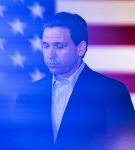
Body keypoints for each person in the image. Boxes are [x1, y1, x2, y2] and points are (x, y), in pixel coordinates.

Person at [14, 12, 135, 150]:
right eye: (46, 46)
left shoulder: (112, 91)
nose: (50, 55)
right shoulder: (28, 93)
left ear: (80, 48)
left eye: (59, 46)